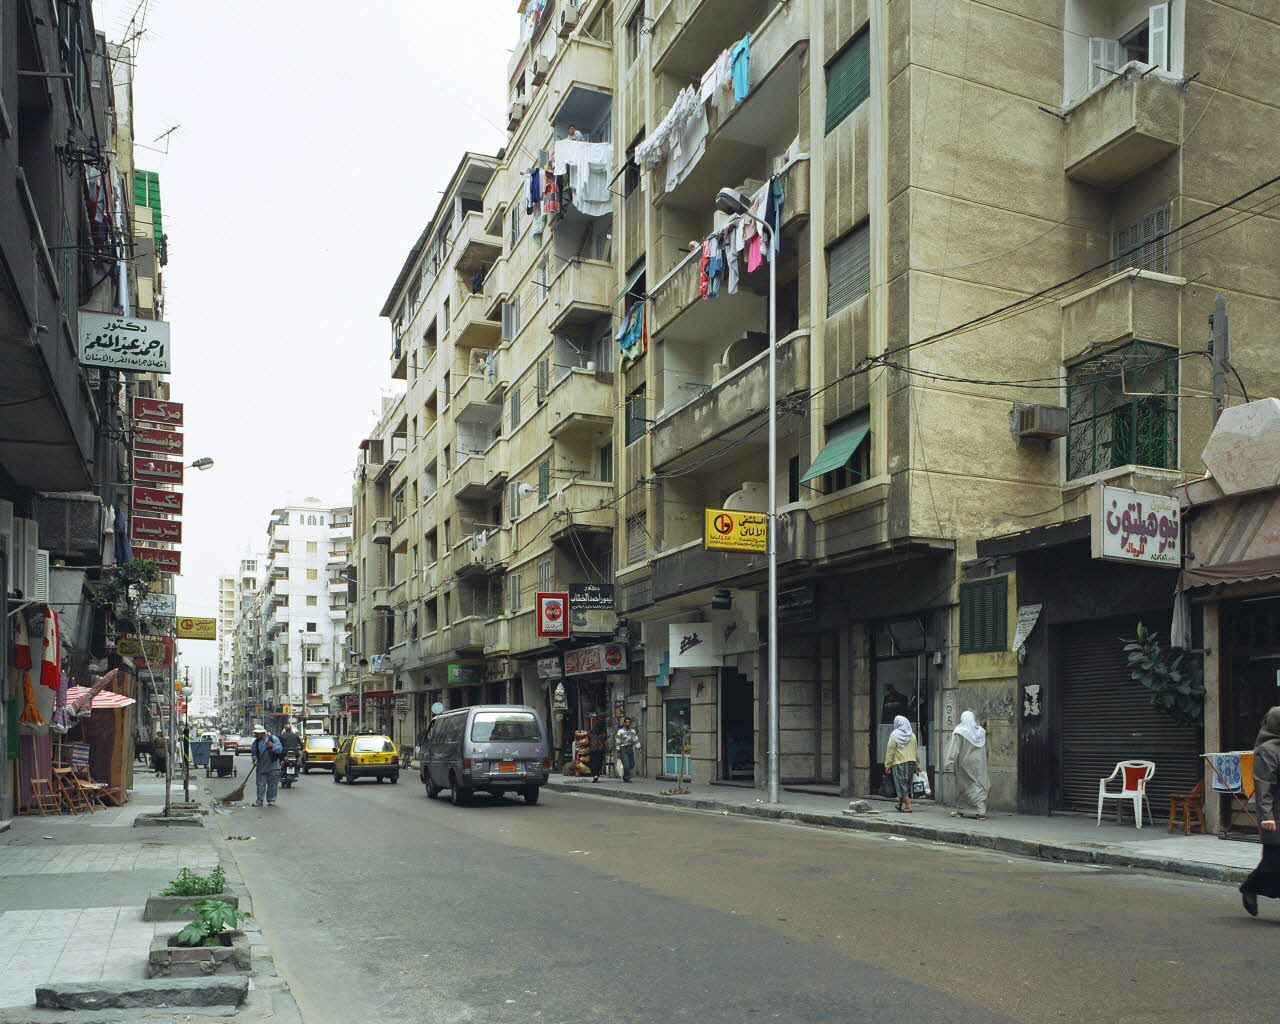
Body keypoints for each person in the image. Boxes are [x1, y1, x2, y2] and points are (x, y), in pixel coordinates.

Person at [1241, 706, 1280, 916]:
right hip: (1275, 816)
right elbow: (1264, 785)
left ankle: (1251, 887)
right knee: (1273, 864)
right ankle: (1249, 888)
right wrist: (1266, 817)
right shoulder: (1268, 751)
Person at [944, 711, 990, 820]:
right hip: (978, 762)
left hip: (964, 763)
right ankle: (979, 811)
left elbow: (954, 747)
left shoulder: (960, 731)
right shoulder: (981, 732)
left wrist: (949, 760)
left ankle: (962, 810)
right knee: (978, 784)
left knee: (964, 786)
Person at [883, 715, 918, 813]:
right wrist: (917, 765)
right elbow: (916, 751)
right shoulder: (912, 736)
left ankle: (908, 806)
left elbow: (890, 751)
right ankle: (899, 804)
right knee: (906, 784)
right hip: (911, 762)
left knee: (901, 784)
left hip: (899, 763)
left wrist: (887, 765)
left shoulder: (894, 735)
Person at [249, 725, 283, 807]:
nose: (256, 735)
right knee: (260, 785)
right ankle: (259, 800)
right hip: (261, 766)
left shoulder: (273, 739)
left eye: (257, 733)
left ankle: (271, 800)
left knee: (272, 785)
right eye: (255, 733)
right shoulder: (256, 742)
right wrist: (254, 760)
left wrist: (273, 746)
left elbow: (280, 749)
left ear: (263, 733)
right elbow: (253, 753)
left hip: (273, 766)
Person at [616, 717, 640, 783]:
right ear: (624, 723)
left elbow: (636, 740)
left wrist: (639, 748)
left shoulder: (632, 731)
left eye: (629, 722)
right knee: (626, 764)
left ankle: (625, 773)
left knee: (632, 764)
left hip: (630, 748)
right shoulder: (620, 731)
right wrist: (618, 751)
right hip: (623, 748)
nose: (628, 724)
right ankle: (627, 778)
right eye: (626, 722)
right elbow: (618, 741)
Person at [588, 718, 607, 782]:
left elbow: (588, 739)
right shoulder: (603, 734)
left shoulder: (591, 733)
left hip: (592, 749)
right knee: (598, 762)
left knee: (593, 762)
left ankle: (595, 775)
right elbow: (604, 739)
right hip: (600, 750)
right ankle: (597, 773)